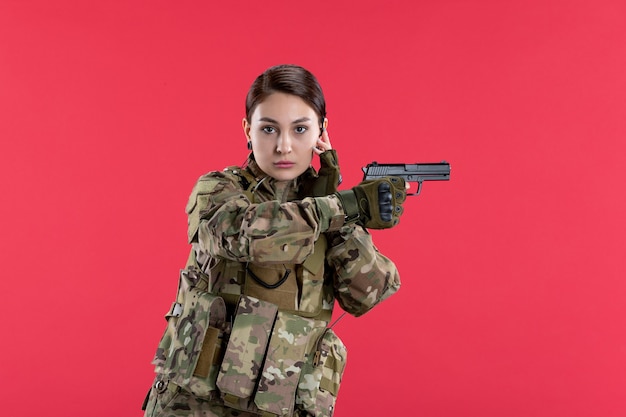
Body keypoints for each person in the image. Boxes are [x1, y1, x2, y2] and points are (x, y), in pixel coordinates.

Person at [142, 64, 407, 417]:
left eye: (300, 129)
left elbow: (368, 293)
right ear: (247, 130)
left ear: (321, 133)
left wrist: (343, 219)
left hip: (281, 405)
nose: (284, 145)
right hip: (196, 405)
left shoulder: (330, 211)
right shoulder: (218, 189)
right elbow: (243, 233)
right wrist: (340, 205)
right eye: (269, 129)